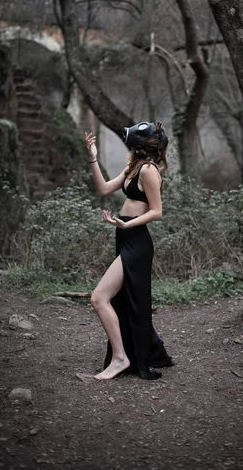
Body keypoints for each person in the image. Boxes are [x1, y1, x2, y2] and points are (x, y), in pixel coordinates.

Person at [85, 121, 173, 381]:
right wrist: (93, 160)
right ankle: (149, 350)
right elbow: (103, 189)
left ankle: (121, 358)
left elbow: (157, 212)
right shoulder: (133, 168)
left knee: (99, 298)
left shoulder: (148, 171)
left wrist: (128, 223)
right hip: (125, 236)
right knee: (127, 300)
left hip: (137, 240)